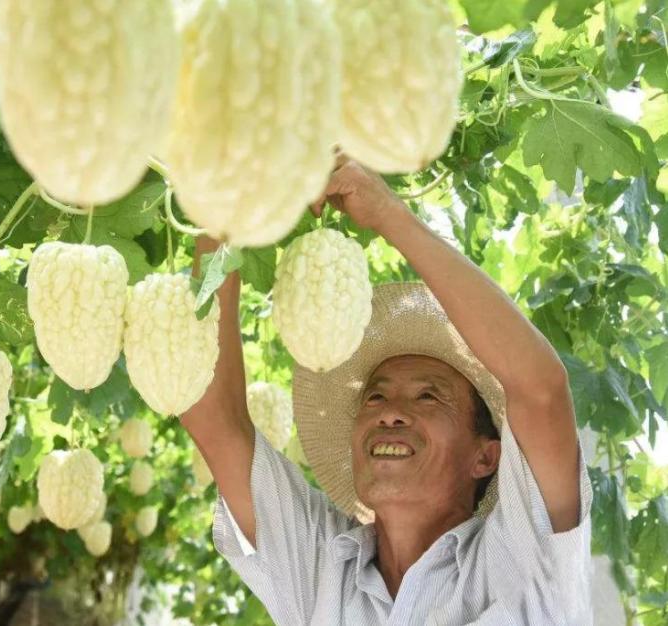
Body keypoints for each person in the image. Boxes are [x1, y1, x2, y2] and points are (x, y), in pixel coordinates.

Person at [181, 156, 593, 625]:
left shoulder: (526, 559)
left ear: (485, 456)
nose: (389, 413)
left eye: (428, 396)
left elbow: (540, 390)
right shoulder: (323, 565)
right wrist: (221, 201)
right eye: (375, 396)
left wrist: (386, 212)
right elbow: (214, 418)